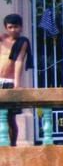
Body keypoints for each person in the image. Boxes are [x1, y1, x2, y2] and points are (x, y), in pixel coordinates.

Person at [0, 14, 32, 146]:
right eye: (10, 27)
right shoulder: (1, 39)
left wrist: (17, 84)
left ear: (21, 27)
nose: (13, 30)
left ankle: (12, 145)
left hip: (9, 82)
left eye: (16, 27)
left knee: (10, 118)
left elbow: (19, 61)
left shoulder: (22, 41)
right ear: (5, 28)